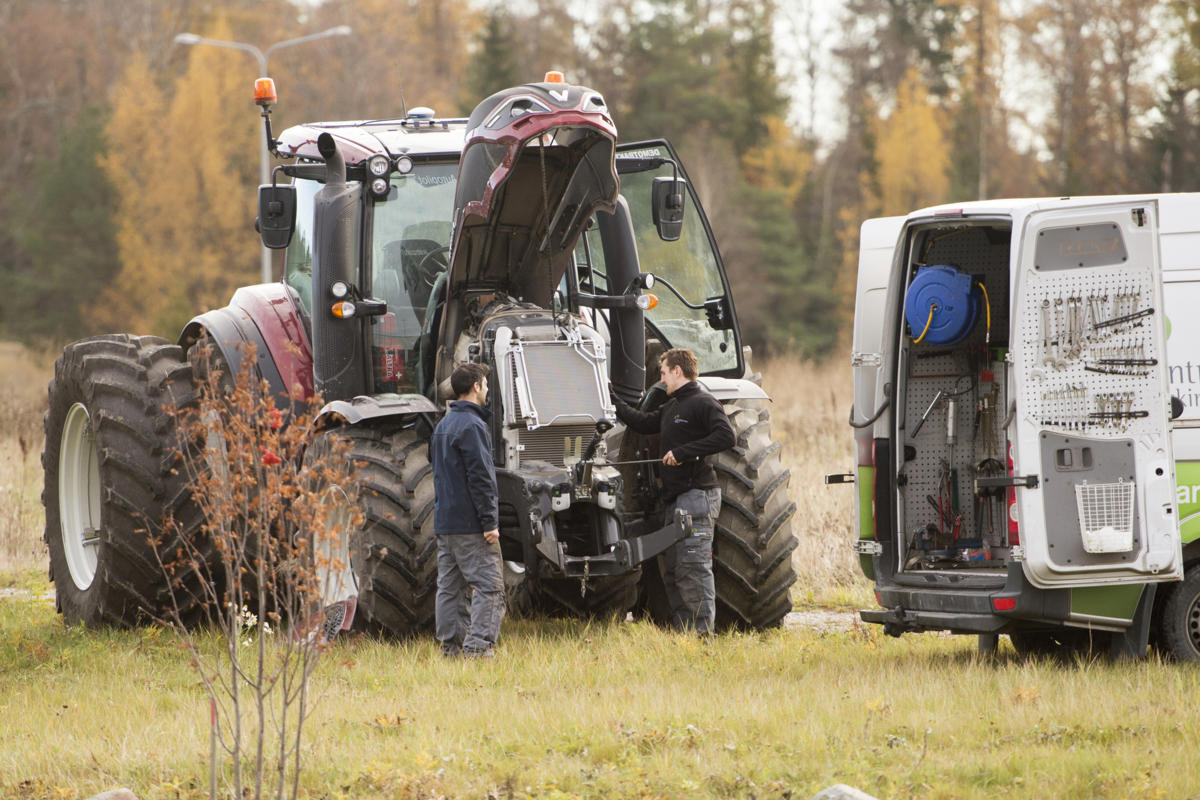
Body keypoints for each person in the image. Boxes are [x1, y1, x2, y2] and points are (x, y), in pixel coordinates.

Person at [611, 347, 735, 634]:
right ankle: (684, 634)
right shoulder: (671, 407)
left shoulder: (704, 402)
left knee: (693, 568)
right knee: (675, 570)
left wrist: (683, 452)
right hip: (675, 500)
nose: (662, 379)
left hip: (697, 496)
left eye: (664, 372)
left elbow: (726, 436)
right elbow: (641, 422)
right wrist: (611, 397)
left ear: (678, 371)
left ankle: (702, 637)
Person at [430, 362, 505, 658]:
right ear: (476, 386)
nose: (487, 388)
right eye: (485, 383)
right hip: (472, 526)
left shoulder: (442, 425)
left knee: (450, 589)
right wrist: (490, 522)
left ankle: (451, 650)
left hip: (445, 524)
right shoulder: (473, 426)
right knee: (490, 587)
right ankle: (478, 650)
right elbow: (481, 478)